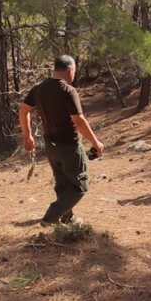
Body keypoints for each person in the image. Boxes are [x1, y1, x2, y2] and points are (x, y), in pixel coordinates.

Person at [19, 56, 105, 226]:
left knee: (63, 184)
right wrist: (96, 142)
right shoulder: (68, 91)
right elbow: (78, 120)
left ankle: (68, 217)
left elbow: (23, 111)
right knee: (80, 186)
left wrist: (27, 135)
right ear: (69, 71)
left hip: (51, 147)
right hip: (69, 147)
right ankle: (51, 216)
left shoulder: (38, 89)